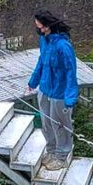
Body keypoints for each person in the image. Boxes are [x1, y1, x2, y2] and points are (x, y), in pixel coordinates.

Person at [26, 9, 78, 171]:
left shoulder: (63, 46)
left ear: (48, 26)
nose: (38, 29)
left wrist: (70, 97)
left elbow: (71, 71)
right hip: (45, 88)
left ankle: (62, 156)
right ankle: (52, 151)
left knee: (60, 125)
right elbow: (41, 62)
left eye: (40, 27)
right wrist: (33, 82)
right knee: (47, 123)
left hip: (60, 92)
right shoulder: (44, 41)